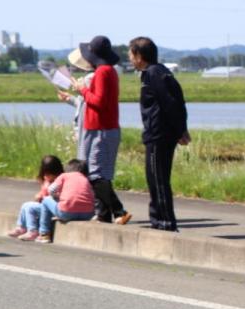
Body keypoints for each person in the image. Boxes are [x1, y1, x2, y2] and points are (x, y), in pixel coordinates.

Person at [129, 37, 190, 231]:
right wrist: (181, 128)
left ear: (139, 56)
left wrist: (180, 129)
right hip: (160, 133)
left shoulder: (155, 73)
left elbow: (171, 103)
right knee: (155, 178)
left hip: (159, 135)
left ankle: (164, 222)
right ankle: (158, 220)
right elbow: (178, 102)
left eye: (131, 54)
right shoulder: (158, 72)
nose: (130, 58)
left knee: (158, 179)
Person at [72, 35, 131, 224]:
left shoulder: (103, 72)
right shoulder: (106, 71)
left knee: (96, 174)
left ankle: (119, 211)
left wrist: (82, 89)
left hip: (103, 129)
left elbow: (99, 102)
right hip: (99, 127)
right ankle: (104, 215)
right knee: (98, 173)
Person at [37, 159, 97, 242]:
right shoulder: (86, 179)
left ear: (67, 169)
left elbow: (51, 189)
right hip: (87, 214)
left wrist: (56, 198)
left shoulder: (64, 176)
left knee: (46, 201)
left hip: (67, 212)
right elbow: (92, 195)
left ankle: (44, 234)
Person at [8, 155, 65, 241]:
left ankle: (33, 231)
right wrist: (40, 195)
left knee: (29, 207)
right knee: (25, 205)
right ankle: (21, 227)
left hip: (52, 208)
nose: (47, 176)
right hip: (45, 206)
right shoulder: (47, 180)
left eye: (50, 174)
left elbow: (56, 196)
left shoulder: (60, 181)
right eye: (46, 174)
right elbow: (43, 192)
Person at [57, 48, 95, 157]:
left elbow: (89, 100)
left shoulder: (90, 78)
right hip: (83, 128)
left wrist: (80, 89)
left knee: (84, 160)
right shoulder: (90, 77)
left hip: (86, 129)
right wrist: (70, 99)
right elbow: (84, 103)